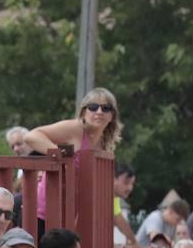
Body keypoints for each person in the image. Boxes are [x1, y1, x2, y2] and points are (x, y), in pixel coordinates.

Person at [23, 87, 124, 234]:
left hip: (70, 214)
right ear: (84, 112)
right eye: (93, 107)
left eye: (106, 108)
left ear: (112, 115)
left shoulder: (104, 144)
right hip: (44, 211)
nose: (99, 112)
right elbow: (32, 137)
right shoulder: (75, 128)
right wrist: (61, 156)